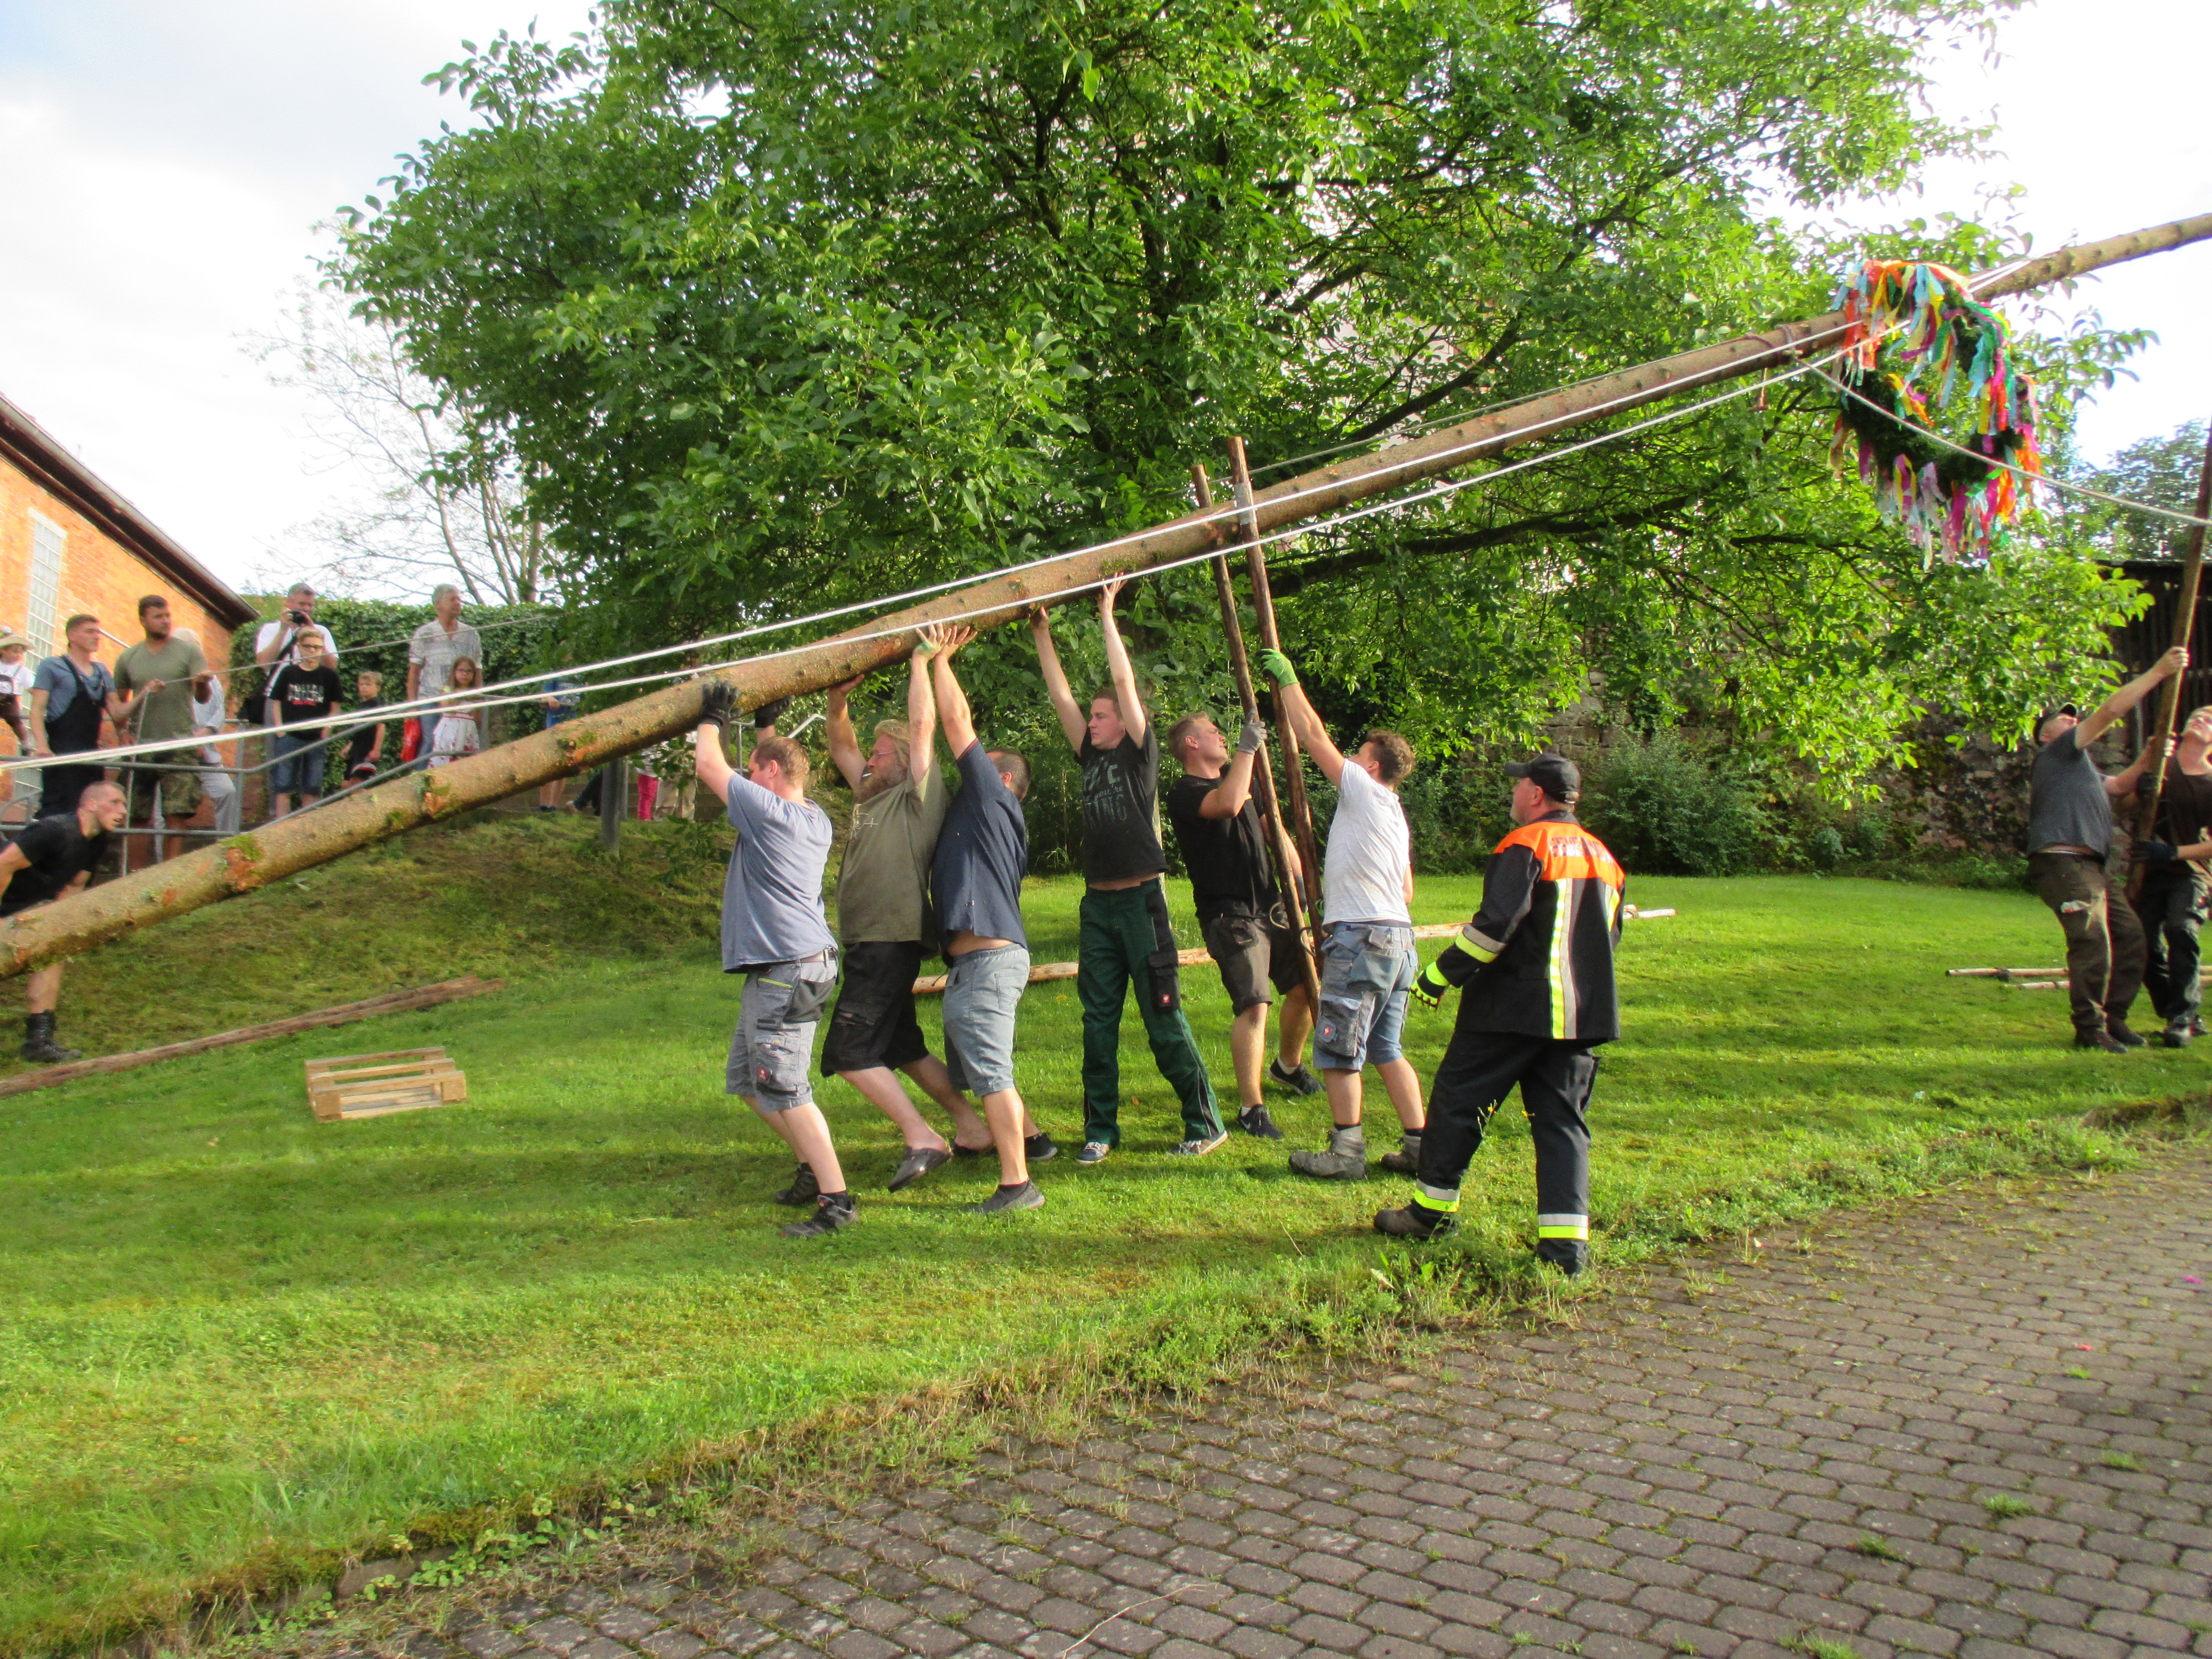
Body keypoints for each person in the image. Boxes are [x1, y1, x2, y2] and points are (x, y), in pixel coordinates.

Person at [1375, 755, 1626, 1274]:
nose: (1512, 794)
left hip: (1510, 1010)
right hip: (1578, 1016)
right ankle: (1564, 1251)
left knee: (1457, 1103)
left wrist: (1439, 977)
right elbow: (1609, 938)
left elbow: (1495, 927)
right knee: (1561, 1126)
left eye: (1518, 785)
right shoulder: (1605, 858)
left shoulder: (1525, 846)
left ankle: (1432, 1213)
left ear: (1536, 794)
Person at [1029, 580, 1226, 1164]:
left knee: (1163, 1016)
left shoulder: (1140, 754)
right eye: (1090, 718)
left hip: (1142, 902)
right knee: (1097, 1023)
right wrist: (1042, 633)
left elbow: (1123, 683)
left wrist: (1107, 613)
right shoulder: (1088, 756)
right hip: (1098, 907)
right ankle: (1101, 1132)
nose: (1091, 722)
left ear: (1125, 722)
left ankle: (1203, 1121)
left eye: (1100, 716)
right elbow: (1060, 696)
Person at [819, 640, 993, 1188]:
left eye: (880, 754)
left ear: (904, 763)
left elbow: (923, 728)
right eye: (871, 756)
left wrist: (919, 661)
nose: (868, 760)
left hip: (887, 939)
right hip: (870, 940)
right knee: (901, 1047)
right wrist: (837, 704)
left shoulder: (915, 796)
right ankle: (973, 1127)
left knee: (850, 1052)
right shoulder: (869, 795)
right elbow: (843, 747)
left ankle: (923, 1137)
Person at [1250, 646, 1427, 1179]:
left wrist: (1288, 680)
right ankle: (1421, 1146)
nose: (1347, 758)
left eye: (1358, 753)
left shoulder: (1365, 790)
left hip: (1364, 941)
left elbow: (1312, 735)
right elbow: (1408, 890)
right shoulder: (1393, 814)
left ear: (1371, 765)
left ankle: (1346, 1153)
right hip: (1398, 941)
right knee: (1386, 1046)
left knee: (1338, 1048)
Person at [693, 681, 850, 1238]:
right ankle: (812, 1165)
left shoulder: (771, 814)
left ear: (769, 776)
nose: (748, 778)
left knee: (785, 1086)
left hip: (788, 967)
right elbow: (777, 762)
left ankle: (837, 1201)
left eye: (755, 769)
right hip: (790, 965)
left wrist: (712, 715)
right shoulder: (813, 816)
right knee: (747, 1081)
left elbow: (709, 764)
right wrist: (767, 726)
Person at [927, 622, 1051, 1213]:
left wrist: (939, 661)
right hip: (977, 963)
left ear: (1002, 779)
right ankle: (1032, 1143)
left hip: (989, 962)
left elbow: (957, 725)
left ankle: (1017, 1184)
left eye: (979, 765)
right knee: (983, 1068)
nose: (966, 771)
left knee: (993, 1074)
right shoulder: (984, 814)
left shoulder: (993, 798)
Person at [1164, 710, 1322, 1140]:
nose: (1221, 735)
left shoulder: (1242, 776)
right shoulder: (1186, 791)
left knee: (1308, 985)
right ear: (1192, 745)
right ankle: (1252, 1107)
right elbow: (1228, 805)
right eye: (1211, 732)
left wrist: (1300, 881)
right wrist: (1247, 748)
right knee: (1255, 1004)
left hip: (1273, 904)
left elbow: (1273, 828)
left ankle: (1288, 1066)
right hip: (1230, 914)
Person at [2025, 646, 2187, 1052]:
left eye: (2072, 715)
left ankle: (2114, 1019)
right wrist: (2157, 671)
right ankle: (2088, 1030)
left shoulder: (2081, 768)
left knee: (2132, 938)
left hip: (2092, 868)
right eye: (2062, 717)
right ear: (2044, 734)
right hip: (2062, 862)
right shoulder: (2056, 753)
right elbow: (2111, 712)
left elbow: (2117, 787)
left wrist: (2151, 757)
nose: (2072, 718)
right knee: (2092, 942)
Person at [0, 778, 128, 1061]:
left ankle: (39, 1041)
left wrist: (59, 924)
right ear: (91, 805)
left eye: (125, 805)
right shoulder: (53, 831)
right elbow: (4, 864)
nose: (123, 811)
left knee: (53, 954)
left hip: (29, 910)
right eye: (115, 803)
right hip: (4, 905)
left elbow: (74, 885)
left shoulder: (98, 840)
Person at [2127, 705, 2212, 1047]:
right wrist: (2141, 791)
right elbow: (2123, 808)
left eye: (2210, 719)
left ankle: (2181, 1016)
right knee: (2141, 943)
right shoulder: (2162, 766)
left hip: (2192, 873)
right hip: (2149, 870)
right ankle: (2174, 1011)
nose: (2200, 719)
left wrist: (2173, 852)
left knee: (2181, 928)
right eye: (2196, 715)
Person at [111, 595, 214, 860]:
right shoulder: (128, 657)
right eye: (158, 616)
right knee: (136, 816)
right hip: (140, 746)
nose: (165, 621)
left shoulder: (189, 651)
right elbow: (117, 703)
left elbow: (203, 697)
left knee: (177, 816)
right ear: (143, 620)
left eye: (168, 615)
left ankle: (172, 878)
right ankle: (135, 876)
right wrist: (122, 732)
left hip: (178, 744)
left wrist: (203, 682)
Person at [28, 614, 114, 820]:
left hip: (91, 754)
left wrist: (145, 693)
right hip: (62, 751)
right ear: (72, 636)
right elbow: (37, 709)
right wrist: (42, 746)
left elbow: (117, 711)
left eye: (98, 632)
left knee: (91, 811)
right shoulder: (52, 666)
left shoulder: (102, 671)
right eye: (90, 631)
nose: (97, 637)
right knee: (58, 810)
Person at [264, 632, 345, 817]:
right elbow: (276, 701)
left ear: (322, 650)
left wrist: (327, 730)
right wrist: (280, 729)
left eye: (317, 647)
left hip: (316, 738)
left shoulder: (329, 676)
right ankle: (281, 828)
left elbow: (335, 705)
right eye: (308, 646)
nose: (312, 651)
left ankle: (306, 827)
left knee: (312, 786)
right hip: (289, 736)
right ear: (300, 647)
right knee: (283, 786)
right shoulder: (288, 673)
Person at [405, 584, 483, 763]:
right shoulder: (424, 633)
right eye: (453, 599)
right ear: (439, 604)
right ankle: (422, 786)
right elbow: (414, 672)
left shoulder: (471, 634)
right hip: (431, 700)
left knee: (460, 747)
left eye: (459, 599)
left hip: (462, 702)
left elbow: (478, 671)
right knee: (430, 744)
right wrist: (412, 705)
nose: (458, 602)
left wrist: (478, 703)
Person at [252, 584, 338, 720]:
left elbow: (332, 666)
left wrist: (314, 634)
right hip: (277, 696)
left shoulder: (322, 632)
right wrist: (283, 630)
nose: (306, 609)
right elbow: (264, 663)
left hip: (311, 696)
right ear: (289, 603)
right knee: (275, 739)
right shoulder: (270, 629)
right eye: (302, 604)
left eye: (310, 605)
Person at [426, 657, 484, 767]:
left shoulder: (476, 694)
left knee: (465, 760)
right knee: (444, 758)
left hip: (467, 730)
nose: (465, 674)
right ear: (454, 671)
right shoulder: (448, 689)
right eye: (461, 670)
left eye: (469, 671)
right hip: (450, 728)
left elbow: (478, 717)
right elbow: (444, 706)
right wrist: (457, 694)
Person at [538, 673, 581, 810]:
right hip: (554, 726)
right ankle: (543, 805)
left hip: (573, 726)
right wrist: (550, 698)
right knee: (547, 766)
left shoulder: (583, 674)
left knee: (563, 767)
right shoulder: (554, 674)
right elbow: (543, 700)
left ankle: (553, 806)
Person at [344, 670, 388, 785]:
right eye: (361, 684)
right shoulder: (362, 706)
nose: (363, 687)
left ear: (378, 687)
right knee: (347, 784)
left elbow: (381, 727)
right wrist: (350, 746)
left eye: (368, 684)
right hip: (357, 749)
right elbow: (359, 730)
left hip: (367, 750)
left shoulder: (376, 705)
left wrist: (376, 749)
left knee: (357, 783)